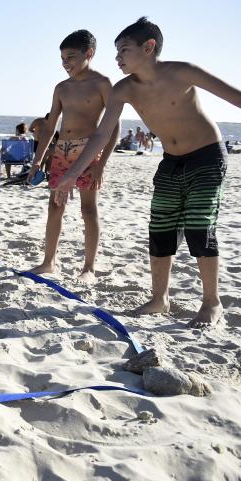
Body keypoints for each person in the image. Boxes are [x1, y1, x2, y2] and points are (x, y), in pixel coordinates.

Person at [54, 17, 241, 326]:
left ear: (149, 47)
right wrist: (74, 172)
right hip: (170, 160)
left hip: (207, 156)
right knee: (161, 228)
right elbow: (102, 134)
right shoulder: (123, 89)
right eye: (116, 52)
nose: (117, 58)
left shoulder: (182, 71)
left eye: (123, 50)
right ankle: (159, 299)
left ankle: (212, 303)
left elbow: (235, 97)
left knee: (199, 226)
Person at [26, 29, 121, 284]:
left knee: (88, 209)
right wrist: (38, 159)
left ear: (89, 53)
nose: (65, 64)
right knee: (55, 205)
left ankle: (88, 267)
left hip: (89, 153)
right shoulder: (61, 88)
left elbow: (114, 126)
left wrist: (101, 164)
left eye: (70, 57)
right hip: (62, 151)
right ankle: (49, 262)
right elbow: (50, 126)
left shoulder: (102, 83)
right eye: (62, 59)